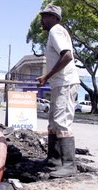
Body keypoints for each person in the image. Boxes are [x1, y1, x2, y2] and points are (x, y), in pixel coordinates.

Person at [37, 4, 80, 178]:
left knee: (62, 121)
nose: (42, 20)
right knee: (53, 122)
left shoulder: (56, 30)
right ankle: (54, 160)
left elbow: (68, 56)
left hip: (65, 83)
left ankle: (69, 165)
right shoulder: (55, 32)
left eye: (45, 16)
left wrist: (46, 76)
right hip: (59, 84)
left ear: (54, 18)